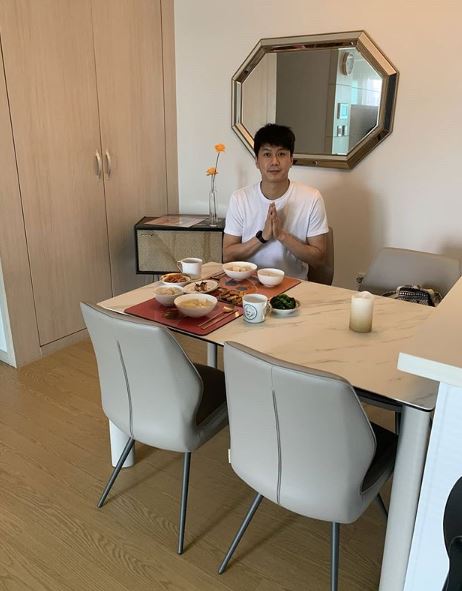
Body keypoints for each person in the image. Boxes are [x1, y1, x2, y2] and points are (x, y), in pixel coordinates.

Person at [223, 123, 328, 280]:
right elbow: (227, 255)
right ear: (257, 161)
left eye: (281, 154)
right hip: (249, 284)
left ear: (291, 159)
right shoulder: (240, 198)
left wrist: (281, 235)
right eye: (267, 154)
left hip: (294, 285)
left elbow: (319, 260)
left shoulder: (312, 198)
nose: (274, 161)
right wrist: (262, 237)